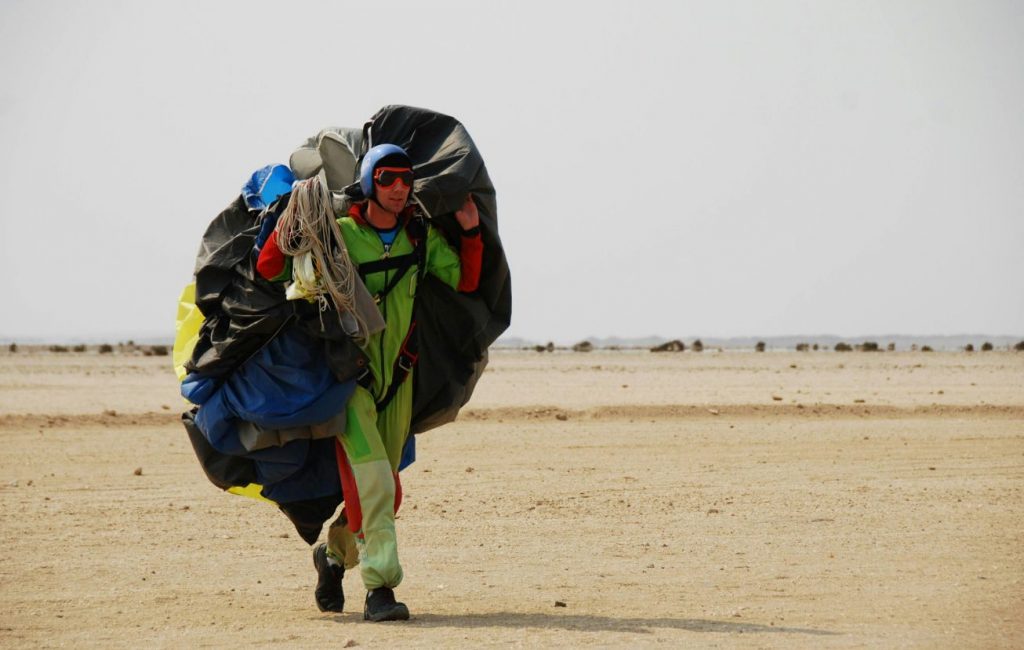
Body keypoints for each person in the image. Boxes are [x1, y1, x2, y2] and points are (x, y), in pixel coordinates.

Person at [257, 143, 483, 621]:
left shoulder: (418, 241)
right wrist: (289, 224)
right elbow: (270, 269)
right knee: (376, 482)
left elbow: (464, 281)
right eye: (387, 178)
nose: (399, 187)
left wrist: (471, 232)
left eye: (406, 178)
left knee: (389, 492)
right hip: (348, 381)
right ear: (367, 182)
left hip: (399, 378)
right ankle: (380, 590)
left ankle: (333, 557)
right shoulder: (336, 235)